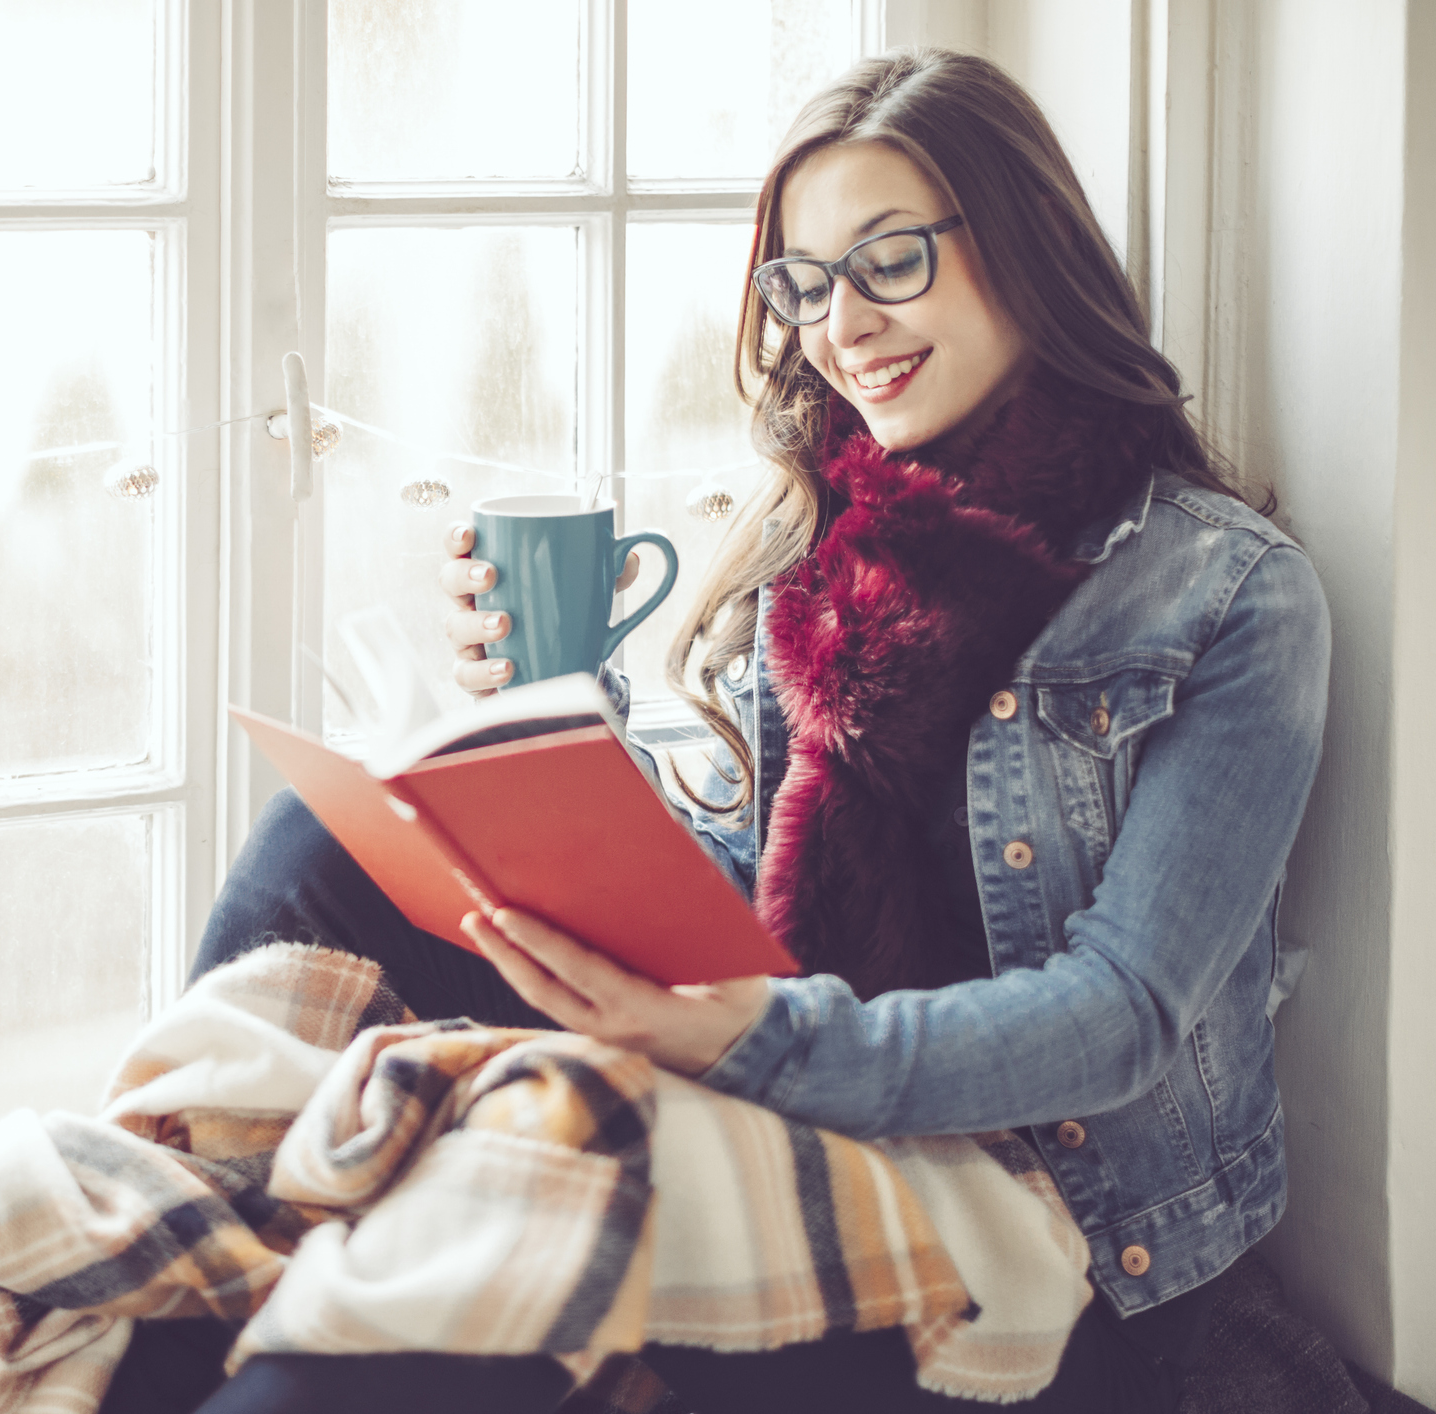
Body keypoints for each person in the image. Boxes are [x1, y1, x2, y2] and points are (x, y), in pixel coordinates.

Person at [102, 47, 1329, 1414]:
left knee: (511, 1184)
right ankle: (163, 1277)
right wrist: (539, 733)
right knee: (326, 831)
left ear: (1030, 249)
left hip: (1048, 1226)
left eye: (890, 259)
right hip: (786, 1091)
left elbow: (1121, 1015)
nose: (837, 324)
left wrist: (750, 1044)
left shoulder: (1225, 591)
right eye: (800, 283)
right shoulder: (824, 545)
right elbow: (741, 891)